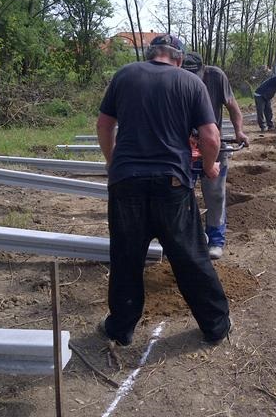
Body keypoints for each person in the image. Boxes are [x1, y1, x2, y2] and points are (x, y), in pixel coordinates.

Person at [96, 34, 231, 347]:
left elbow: (104, 125)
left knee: (126, 258)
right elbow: (211, 137)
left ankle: (121, 329)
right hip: (172, 185)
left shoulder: (124, 75)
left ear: (150, 54)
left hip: (126, 183)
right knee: (191, 258)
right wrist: (209, 167)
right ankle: (215, 326)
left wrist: (113, 162)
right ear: (179, 59)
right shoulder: (191, 82)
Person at [182, 51, 250, 260]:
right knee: (180, 194)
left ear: (203, 70)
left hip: (212, 142)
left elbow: (233, 106)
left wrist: (239, 131)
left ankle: (216, 240)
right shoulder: (175, 79)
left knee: (215, 194)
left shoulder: (216, 77)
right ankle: (184, 238)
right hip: (183, 145)